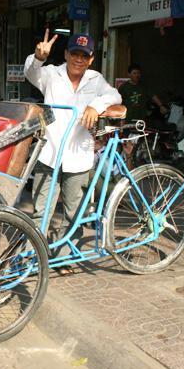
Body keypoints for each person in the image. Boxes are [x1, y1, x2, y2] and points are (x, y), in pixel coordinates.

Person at [24, 30, 121, 275]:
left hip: (79, 157)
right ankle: (32, 258)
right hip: (50, 153)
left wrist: (95, 106)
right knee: (40, 210)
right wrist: (38, 57)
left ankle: (65, 257)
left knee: (73, 211)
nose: (78, 59)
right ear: (66, 54)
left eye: (84, 55)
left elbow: (114, 95)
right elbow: (31, 73)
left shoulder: (95, 79)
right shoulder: (51, 74)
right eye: (74, 54)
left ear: (91, 59)